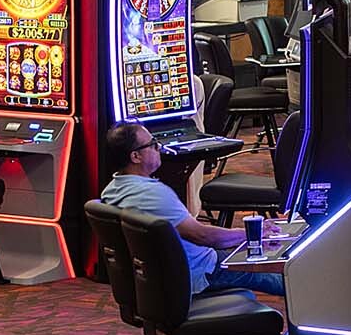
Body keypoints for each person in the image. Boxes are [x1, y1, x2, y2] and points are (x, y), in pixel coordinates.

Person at [99, 121, 286, 298]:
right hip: (200, 271)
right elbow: (203, 237)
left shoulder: (110, 192)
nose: (160, 148)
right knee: (282, 275)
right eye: (153, 144)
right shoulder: (153, 193)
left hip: (165, 273)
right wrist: (253, 233)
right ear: (135, 156)